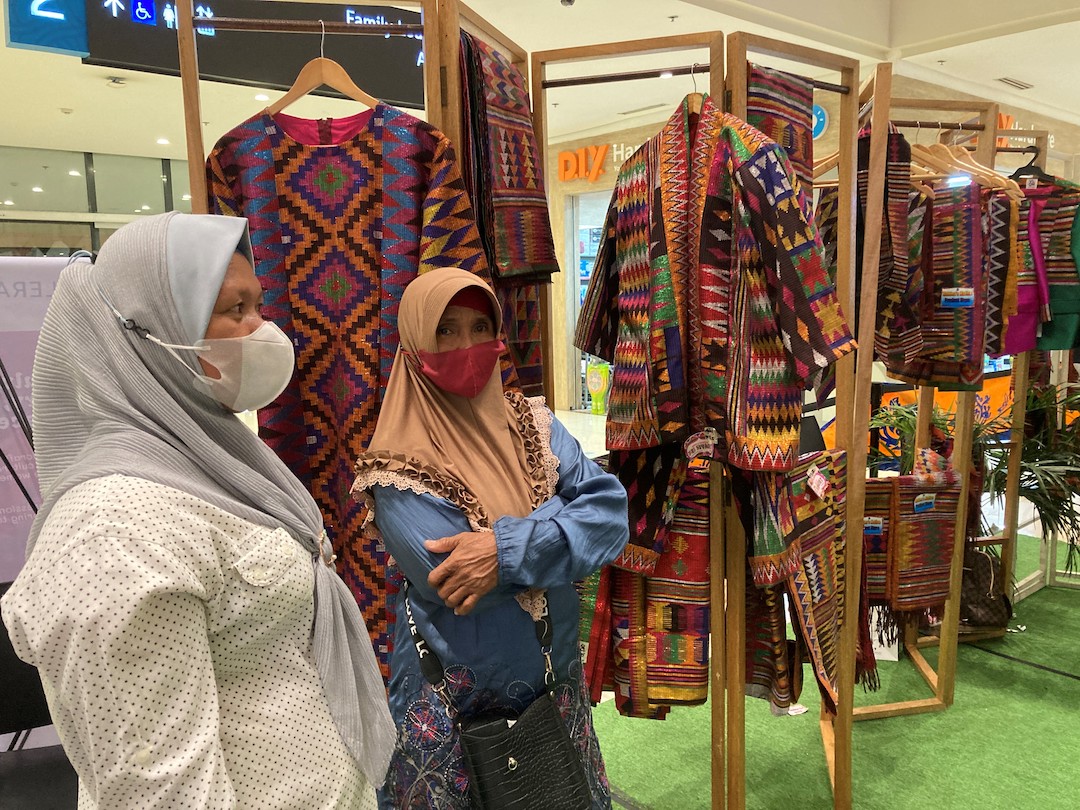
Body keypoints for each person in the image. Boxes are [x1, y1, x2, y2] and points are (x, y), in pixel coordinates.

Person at [1, 212, 396, 809]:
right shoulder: (113, 532)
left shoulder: (207, 459)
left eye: (258, 305)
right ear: (149, 329)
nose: (261, 330)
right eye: (233, 309)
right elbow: (161, 792)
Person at [352, 268, 629, 808]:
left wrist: (500, 550)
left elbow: (611, 515)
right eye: (447, 331)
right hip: (456, 714)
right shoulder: (396, 468)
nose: (469, 346)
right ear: (415, 346)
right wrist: (560, 521)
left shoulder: (534, 425)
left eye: (481, 326)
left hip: (555, 689)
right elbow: (453, 580)